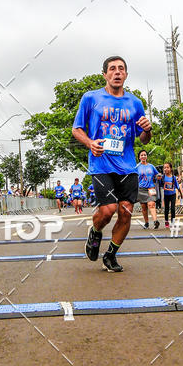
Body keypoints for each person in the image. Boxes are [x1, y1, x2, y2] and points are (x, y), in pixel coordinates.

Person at [72, 55, 152, 272]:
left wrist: (147, 129)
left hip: (127, 166)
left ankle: (111, 255)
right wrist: (90, 143)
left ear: (126, 74)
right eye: (112, 69)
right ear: (105, 74)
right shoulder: (91, 98)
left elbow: (143, 139)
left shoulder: (135, 103)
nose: (117, 72)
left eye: (121, 69)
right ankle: (95, 231)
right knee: (107, 211)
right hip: (101, 164)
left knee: (125, 212)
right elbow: (76, 129)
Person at [137, 150, 159, 229]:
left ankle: (155, 221)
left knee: (151, 204)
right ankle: (146, 223)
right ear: (139, 157)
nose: (143, 156)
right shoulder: (137, 167)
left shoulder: (151, 166)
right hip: (141, 189)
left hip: (151, 188)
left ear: (147, 156)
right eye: (142, 155)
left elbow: (157, 174)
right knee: (144, 207)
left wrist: (159, 175)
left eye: (145, 155)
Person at [161, 162, 181, 227]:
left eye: (167, 167)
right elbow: (159, 184)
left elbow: (177, 186)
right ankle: (166, 221)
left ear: (171, 169)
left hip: (173, 194)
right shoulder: (162, 177)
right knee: (166, 208)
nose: (166, 169)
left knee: (173, 208)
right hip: (166, 195)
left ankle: (173, 221)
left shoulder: (173, 177)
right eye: (165, 168)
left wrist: (181, 193)